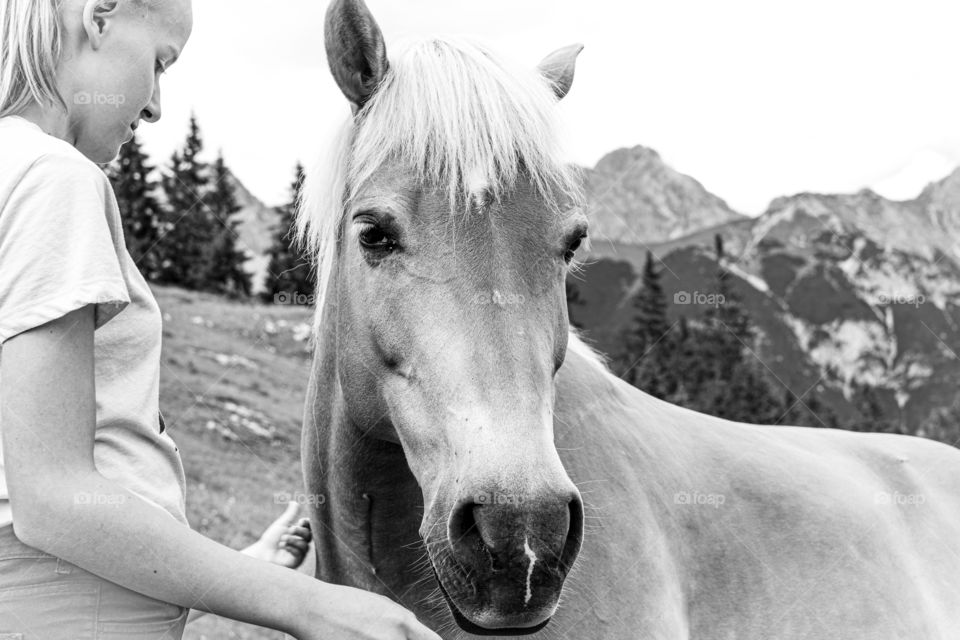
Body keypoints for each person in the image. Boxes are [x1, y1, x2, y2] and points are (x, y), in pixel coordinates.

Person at [0, 1, 441, 639]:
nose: (153, 105)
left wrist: (226, 573)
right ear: (99, 18)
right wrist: (307, 604)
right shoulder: (52, 176)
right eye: (159, 63)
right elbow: (51, 502)